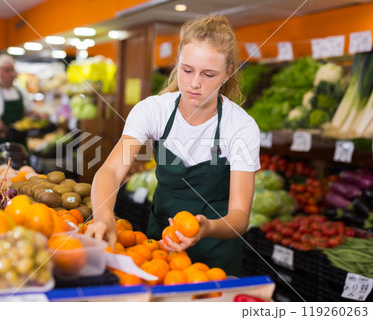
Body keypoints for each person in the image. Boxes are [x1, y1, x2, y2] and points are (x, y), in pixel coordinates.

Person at [86, 15, 260, 276]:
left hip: (216, 253)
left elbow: (239, 214)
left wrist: (206, 228)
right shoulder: (153, 111)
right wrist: (105, 218)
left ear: (228, 73)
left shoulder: (240, 127)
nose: (194, 83)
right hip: (158, 245)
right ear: (177, 63)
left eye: (208, 74)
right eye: (187, 70)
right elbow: (110, 171)